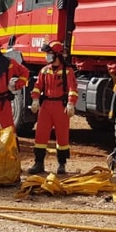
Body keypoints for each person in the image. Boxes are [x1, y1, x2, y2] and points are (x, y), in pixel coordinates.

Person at [28, 41, 79, 175]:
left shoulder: (68, 71)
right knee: (40, 134)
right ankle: (38, 163)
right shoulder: (44, 70)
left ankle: (62, 164)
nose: (47, 56)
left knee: (62, 136)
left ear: (57, 55)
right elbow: (38, 86)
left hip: (60, 106)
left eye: (49, 53)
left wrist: (71, 103)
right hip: (45, 106)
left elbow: (72, 89)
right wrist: (35, 99)